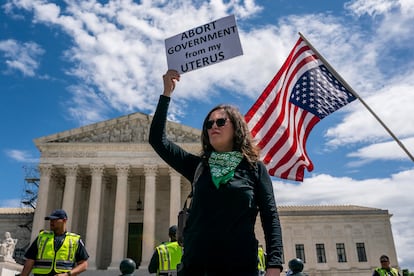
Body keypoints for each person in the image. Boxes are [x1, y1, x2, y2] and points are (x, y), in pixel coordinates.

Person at [149, 69, 283, 275]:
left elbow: (270, 216)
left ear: (236, 128)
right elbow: (158, 141)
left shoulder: (254, 169)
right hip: (196, 267)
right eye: (209, 124)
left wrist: (274, 264)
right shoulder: (199, 167)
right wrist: (166, 93)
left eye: (221, 122)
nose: (213, 126)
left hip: (240, 267)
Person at [19, 209, 89, 276]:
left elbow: (84, 265)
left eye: (55, 220)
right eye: (50, 220)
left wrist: (67, 274)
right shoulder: (42, 237)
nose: (51, 222)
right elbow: (30, 260)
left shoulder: (74, 240)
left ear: (64, 220)